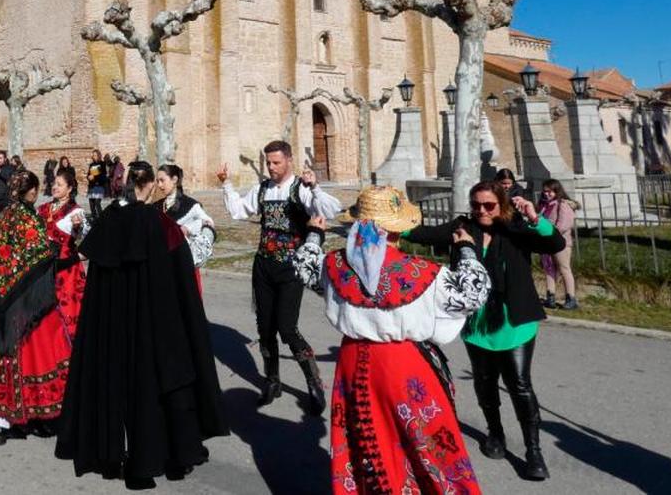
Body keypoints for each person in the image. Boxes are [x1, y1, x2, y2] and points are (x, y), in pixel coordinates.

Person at [290, 186, 491, 494]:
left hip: (354, 364)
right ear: (398, 228)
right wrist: (466, 251)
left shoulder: (335, 266)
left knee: (368, 438)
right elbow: (473, 291)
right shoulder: (422, 272)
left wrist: (315, 236)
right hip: (403, 364)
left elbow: (304, 265)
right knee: (426, 442)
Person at [56, 161, 227, 485]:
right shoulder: (162, 225)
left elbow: (89, 262)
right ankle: (162, 456)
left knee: (119, 389)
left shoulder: (108, 221)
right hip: (156, 324)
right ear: (149, 186)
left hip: (115, 326)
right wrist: (207, 231)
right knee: (156, 390)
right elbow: (185, 273)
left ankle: (113, 455)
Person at [403, 180, 566, 481]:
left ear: (501, 204)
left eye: (488, 205)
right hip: (477, 323)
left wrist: (534, 218)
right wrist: (391, 225)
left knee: (519, 384)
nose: (481, 211)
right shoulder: (462, 226)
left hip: (513, 321)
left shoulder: (515, 226)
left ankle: (533, 450)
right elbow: (426, 235)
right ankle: (495, 433)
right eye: (476, 205)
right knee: (485, 382)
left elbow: (555, 244)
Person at [218, 141, 341, 410]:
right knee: (265, 329)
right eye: (268, 163)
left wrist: (315, 187)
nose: (271, 168)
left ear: (289, 161)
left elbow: (330, 210)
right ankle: (272, 381)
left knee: (287, 328)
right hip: (263, 265)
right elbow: (239, 211)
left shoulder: (301, 188)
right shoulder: (262, 189)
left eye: (276, 162)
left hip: (291, 267)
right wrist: (226, 184)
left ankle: (313, 382)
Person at [0, 170, 74, 444]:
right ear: (31, 191)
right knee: (36, 357)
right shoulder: (28, 217)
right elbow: (40, 253)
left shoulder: (4, 215)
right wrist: (62, 241)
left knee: (8, 357)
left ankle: (8, 419)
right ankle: (35, 416)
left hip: (1, 299)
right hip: (26, 302)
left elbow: (2, 255)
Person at [41, 165, 87, 339]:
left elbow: (82, 233)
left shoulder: (75, 211)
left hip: (66, 266)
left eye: (59, 184)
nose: (54, 187)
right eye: (54, 183)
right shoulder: (44, 208)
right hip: (45, 263)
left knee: (65, 304)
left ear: (69, 189)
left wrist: (78, 226)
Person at [157, 164, 215, 291]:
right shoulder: (157, 206)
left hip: (185, 266)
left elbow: (208, 221)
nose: (159, 185)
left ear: (174, 179)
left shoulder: (190, 205)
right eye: (157, 181)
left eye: (162, 180)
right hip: (163, 266)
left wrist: (187, 228)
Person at [538, 179, 578, 309]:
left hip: (561, 242)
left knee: (564, 268)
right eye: (545, 192)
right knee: (549, 269)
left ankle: (570, 298)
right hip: (546, 241)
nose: (547, 194)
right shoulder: (544, 205)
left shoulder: (563, 205)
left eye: (550, 192)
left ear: (556, 191)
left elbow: (563, 225)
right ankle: (550, 296)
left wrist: (549, 231)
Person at [85, 148, 108, 221]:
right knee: (91, 203)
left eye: (95, 155)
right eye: (93, 155)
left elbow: (103, 175)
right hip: (92, 186)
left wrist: (94, 177)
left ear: (98, 156)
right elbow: (88, 174)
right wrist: (88, 177)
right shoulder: (91, 164)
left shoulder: (102, 164)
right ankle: (94, 218)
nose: (94, 156)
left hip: (99, 186)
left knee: (97, 203)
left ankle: (101, 218)